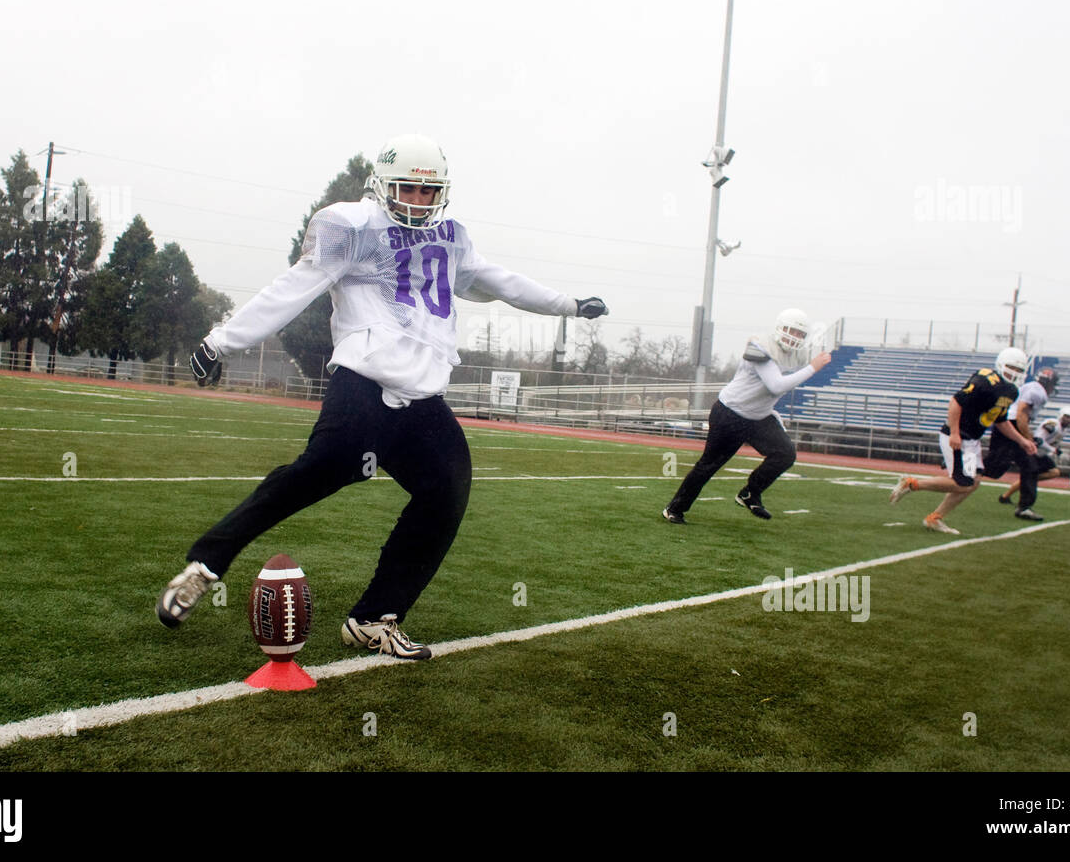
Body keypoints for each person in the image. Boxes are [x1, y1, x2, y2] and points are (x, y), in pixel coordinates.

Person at [156, 133, 609, 659]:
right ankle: (204, 566)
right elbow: (294, 287)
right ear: (381, 185)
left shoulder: (452, 236)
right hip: (365, 381)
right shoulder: (353, 226)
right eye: (407, 190)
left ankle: (375, 618)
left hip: (422, 399)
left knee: (447, 488)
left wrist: (570, 305)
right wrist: (222, 341)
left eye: (427, 191)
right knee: (315, 473)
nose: (417, 200)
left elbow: (500, 280)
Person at [662, 308, 830, 525]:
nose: (794, 337)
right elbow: (776, 385)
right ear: (780, 328)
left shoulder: (796, 355)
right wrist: (813, 367)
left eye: (800, 334)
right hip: (731, 414)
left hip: (759, 417)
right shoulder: (760, 346)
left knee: (785, 454)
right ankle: (675, 508)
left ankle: (750, 492)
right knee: (709, 465)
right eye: (791, 331)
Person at [889, 347, 1037, 534]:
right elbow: (956, 403)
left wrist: (1021, 440)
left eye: (1019, 370)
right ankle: (911, 484)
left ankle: (935, 518)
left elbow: (999, 420)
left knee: (972, 483)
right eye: (1011, 368)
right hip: (958, 436)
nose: (1014, 373)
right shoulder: (985, 381)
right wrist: (955, 433)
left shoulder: (1011, 391)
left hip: (972, 440)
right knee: (962, 483)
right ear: (1001, 364)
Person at [985, 365, 1060, 521]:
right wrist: (1027, 439)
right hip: (1011, 425)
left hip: (1009, 423)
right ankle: (962, 464)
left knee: (1029, 467)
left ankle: (1024, 507)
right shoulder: (1038, 392)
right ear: (1049, 383)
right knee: (995, 467)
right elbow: (1021, 415)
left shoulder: (1032, 387)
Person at [999, 404, 1070, 505]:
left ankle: (1007, 495)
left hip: (1040, 453)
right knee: (1052, 472)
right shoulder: (1053, 424)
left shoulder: (1063, 429)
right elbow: (1038, 440)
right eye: (1066, 417)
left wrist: (1054, 449)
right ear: (1061, 415)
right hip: (1034, 451)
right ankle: (1006, 496)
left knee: (1052, 473)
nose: (1068, 420)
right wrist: (1053, 450)